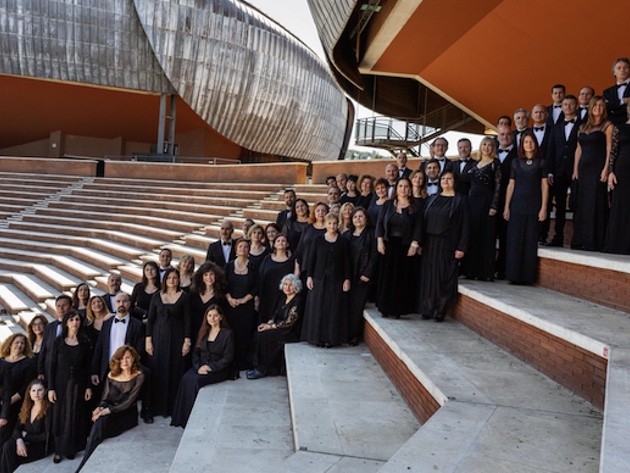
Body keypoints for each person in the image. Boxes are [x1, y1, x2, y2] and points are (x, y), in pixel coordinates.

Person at [77, 346, 145, 472]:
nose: (124, 361)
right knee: (99, 422)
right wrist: (99, 409)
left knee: (100, 423)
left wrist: (106, 411)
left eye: (128, 358)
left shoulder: (139, 376)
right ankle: (86, 462)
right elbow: (105, 398)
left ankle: (83, 465)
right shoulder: (112, 374)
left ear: (134, 359)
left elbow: (128, 402)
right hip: (112, 408)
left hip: (127, 414)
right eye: (121, 358)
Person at [91, 293, 152, 424]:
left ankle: (146, 412)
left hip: (128, 364)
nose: (121, 304)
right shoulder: (106, 323)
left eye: (125, 301)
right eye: (118, 301)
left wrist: (130, 364)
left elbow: (139, 349)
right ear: (114, 304)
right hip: (108, 364)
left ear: (130, 304)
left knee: (147, 374)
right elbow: (99, 348)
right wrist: (94, 371)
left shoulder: (137, 324)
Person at [170, 305, 234, 428]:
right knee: (185, 378)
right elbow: (195, 353)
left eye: (215, 316)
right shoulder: (203, 332)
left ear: (220, 317)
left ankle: (191, 420)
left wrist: (210, 367)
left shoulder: (227, 334)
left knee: (196, 381)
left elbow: (228, 358)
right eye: (209, 316)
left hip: (218, 369)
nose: (212, 318)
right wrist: (199, 367)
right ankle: (182, 418)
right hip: (201, 366)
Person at [418, 171, 469, 322]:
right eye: (444, 178)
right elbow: (423, 222)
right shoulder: (432, 198)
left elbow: (466, 226)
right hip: (429, 243)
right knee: (429, 277)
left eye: (450, 178)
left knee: (444, 276)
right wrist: (419, 243)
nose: (446, 181)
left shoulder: (461, 200)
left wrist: (462, 247)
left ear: (455, 181)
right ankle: (427, 308)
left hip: (448, 244)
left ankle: (441, 309)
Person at [571, 96, 616, 251]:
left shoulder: (608, 126)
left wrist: (606, 168)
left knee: (595, 203)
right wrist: (575, 169)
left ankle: (594, 242)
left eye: (601, 105)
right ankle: (581, 240)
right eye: (595, 105)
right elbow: (578, 149)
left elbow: (609, 149)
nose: (598, 107)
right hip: (583, 169)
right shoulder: (583, 127)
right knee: (583, 204)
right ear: (590, 107)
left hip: (598, 169)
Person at [503, 132, 549, 285]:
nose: (529, 144)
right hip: (517, 205)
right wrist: (506, 207)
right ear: (522, 145)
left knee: (530, 240)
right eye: (525, 142)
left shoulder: (541, 162)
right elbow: (511, 185)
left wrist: (543, 208)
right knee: (515, 240)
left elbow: (544, 186)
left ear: (535, 144)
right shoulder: (515, 162)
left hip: (533, 205)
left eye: (531, 142)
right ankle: (513, 275)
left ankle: (527, 277)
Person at [146, 268, 191, 417]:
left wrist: (187, 341)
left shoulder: (184, 297)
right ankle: (157, 408)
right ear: (164, 280)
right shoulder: (156, 296)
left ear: (179, 280)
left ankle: (172, 408)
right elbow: (150, 320)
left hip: (177, 338)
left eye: (175, 278)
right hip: (158, 339)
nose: (172, 280)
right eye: (169, 278)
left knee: (175, 370)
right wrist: (148, 341)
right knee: (158, 370)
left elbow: (188, 321)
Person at [48, 310, 92, 463]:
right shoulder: (58, 342)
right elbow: (51, 366)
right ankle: (59, 450)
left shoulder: (85, 342)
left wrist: (88, 387)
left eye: (77, 320)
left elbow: (88, 367)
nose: (75, 322)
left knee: (75, 415)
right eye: (72, 320)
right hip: (60, 385)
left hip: (78, 385)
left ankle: (71, 448)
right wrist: (51, 388)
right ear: (66, 322)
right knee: (59, 417)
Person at [302, 213, 351, 347]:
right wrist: (309, 277)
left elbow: (347, 262)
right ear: (325, 224)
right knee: (318, 308)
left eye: (334, 223)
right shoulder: (318, 240)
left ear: (338, 224)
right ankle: (317, 338)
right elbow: (312, 259)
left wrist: (347, 279)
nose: (332, 226)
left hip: (336, 280)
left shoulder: (343, 241)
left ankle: (331, 339)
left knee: (333, 309)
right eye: (329, 223)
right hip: (319, 279)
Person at [376, 177, 422, 319]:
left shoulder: (415, 206)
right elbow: (379, 224)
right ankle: (385, 307)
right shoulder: (388, 204)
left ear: (410, 189)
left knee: (401, 278)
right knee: (387, 277)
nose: (403, 189)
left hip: (405, 247)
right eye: (400, 186)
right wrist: (379, 241)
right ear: (396, 189)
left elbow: (419, 227)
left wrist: (414, 244)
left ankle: (397, 309)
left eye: (406, 186)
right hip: (389, 245)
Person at [461, 137, 501, 281]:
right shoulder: (475, 164)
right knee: (473, 235)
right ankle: (471, 270)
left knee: (486, 236)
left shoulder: (495, 164)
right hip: (472, 202)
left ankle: (485, 272)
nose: (486, 147)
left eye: (489, 145)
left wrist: (494, 206)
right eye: (484, 144)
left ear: (493, 148)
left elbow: (498, 186)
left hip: (486, 202)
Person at [247, 274, 302, 379]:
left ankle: (263, 369)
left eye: (291, 285)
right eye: (285, 284)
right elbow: (275, 314)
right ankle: (257, 365)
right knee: (258, 333)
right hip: (278, 328)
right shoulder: (283, 298)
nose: (288, 287)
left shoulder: (297, 300)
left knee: (265, 336)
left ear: (296, 287)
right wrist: (268, 324)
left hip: (289, 331)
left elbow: (290, 322)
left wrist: (271, 327)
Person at [0, 380, 51, 473]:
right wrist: (19, 440)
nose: (36, 393)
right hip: (24, 443)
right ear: (29, 393)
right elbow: (16, 428)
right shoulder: (27, 407)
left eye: (40, 390)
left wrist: (25, 436)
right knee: (7, 446)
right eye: (33, 391)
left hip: (38, 447)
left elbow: (45, 437)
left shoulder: (49, 410)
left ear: (45, 391)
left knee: (9, 452)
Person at [224, 239, 258, 372]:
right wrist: (229, 299)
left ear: (249, 250)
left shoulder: (253, 266)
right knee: (231, 333)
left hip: (246, 307)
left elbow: (256, 287)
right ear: (236, 250)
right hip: (230, 306)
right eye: (240, 246)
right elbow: (224, 285)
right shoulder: (229, 266)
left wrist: (245, 299)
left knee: (244, 334)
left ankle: (243, 362)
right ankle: (230, 361)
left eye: (245, 247)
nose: (243, 249)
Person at [345, 207, 377, 346]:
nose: (358, 219)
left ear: (366, 218)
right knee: (346, 305)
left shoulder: (371, 234)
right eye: (355, 217)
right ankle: (344, 333)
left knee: (356, 306)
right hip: (348, 275)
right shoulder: (347, 235)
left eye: (361, 216)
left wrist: (367, 273)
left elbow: (375, 256)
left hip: (362, 276)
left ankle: (354, 335)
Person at [0, 335, 35, 449]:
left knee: (4, 434)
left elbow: (26, 386)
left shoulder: (28, 363)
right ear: (10, 344)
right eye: (17, 342)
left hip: (14, 404)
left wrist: (9, 401)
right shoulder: (2, 360)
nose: (19, 345)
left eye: (22, 343)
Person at [606, 101, 630, 254]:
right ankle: (618, 245)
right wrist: (610, 172)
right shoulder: (619, 127)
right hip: (621, 170)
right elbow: (613, 151)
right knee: (620, 205)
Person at [257, 233, 297, 324]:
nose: (281, 243)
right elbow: (260, 277)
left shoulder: (291, 261)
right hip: (266, 297)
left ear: (287, 244)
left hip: (282, 298)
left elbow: (294, 279)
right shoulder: (267, 259)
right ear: (274, 244)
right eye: (278, 241)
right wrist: (257, 297)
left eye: (283, 241)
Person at [495, 125, 517, 279]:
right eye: (502, 134)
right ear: (497, 137)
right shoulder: (491, 152)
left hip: (510, 201)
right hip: (491, 202)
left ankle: (503, 268)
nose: (505, 137)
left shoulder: (518, 155)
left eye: (508, 134)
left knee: (505, 236)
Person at [37, 294, 73, 381]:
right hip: (49, 369)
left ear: (71, 307)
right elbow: (44, 349)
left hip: (68, 371)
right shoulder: (50, 326)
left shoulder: (76, 326)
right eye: (58, 306)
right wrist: (40, 371)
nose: (61, 308)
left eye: (64, 305)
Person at [189, 262, 226, 341]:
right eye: (205, 274)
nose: (209, 277)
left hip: (210, 332)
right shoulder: (194, 293)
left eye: (211, 274)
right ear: (201, 277)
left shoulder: (220, 295)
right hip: (193, 330)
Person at [295, 202, 328, 278]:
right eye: (318, 211)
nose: (321, 213)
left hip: (323, 271)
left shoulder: (330, 229)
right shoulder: (307, 228)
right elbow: (299, 251)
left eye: (323, 211)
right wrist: (297, 270)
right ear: (314, 213)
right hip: (306, 268)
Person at [603, 57, 630, 126]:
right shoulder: (607, 92)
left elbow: (611, 106)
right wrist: (622, 101)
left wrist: (614, 107)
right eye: (619, 68)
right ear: (614, 72)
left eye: (625, 67)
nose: (622, 70)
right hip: (612, 125)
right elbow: (606, 108)